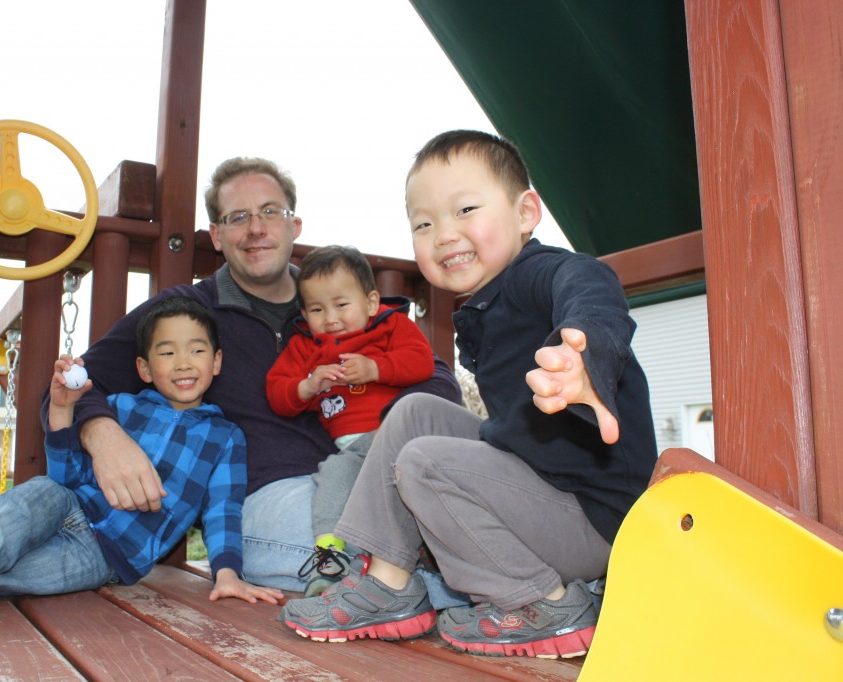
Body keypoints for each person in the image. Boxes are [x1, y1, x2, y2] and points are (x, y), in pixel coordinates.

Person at [279, 130, 658, 658]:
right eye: (424, 223)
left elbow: (588, 281)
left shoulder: (536, 274)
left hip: (593, 521)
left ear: (526, 213)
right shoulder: (484, 304)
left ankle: (544, 604)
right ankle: (390, 585)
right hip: (542, 491)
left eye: (465, 210)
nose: (443, 234)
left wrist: (585, 354)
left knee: (426, 462)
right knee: (413, 413)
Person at [50, 157, 463, 594]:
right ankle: (441, 589)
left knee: (451, 521)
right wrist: (103, 436)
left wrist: (385, 432)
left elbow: (437, 383)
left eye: (270, 212)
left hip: (366, 474)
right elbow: (80, 380)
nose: (256, 229)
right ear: (217, 235)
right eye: (238, 217)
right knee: (385, 563)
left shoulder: (337, 304)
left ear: (294, 225)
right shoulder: (186, 314)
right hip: (268, 497)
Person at [0, 296, 281, 634]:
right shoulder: (120, 408)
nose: (184, 362)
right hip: (62, 502)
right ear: (144, 368)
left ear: (216, 361)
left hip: (106, 556)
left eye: (197, 350)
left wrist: (226, 573)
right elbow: (67, 475)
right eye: (167, 352)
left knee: (2, 575)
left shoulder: (224, 438)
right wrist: (62, 411)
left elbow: (223, 510)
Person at [266, 245, 434, 595]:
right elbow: (277, 393)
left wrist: (376, 368)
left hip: (391, 436)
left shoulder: (390, 327)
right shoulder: (304, 347)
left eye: (342, 305)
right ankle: (328, 556)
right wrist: (309, 385)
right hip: (353, 452)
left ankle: (427, 554)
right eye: (316, 309)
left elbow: (421, 362)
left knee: (409, 488)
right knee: (332, 476)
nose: (330, 318)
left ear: (371, 302)